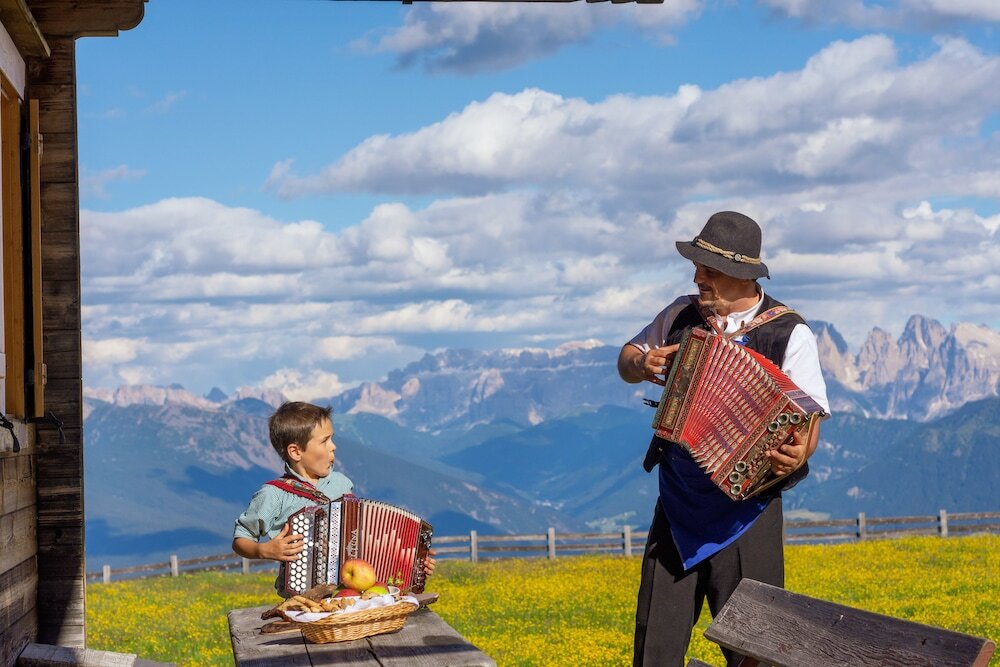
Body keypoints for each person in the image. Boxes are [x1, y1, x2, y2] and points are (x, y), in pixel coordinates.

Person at [617, 211, 830, 666]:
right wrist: (643, 364)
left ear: (739, 273)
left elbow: (810, 418)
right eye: (697, 267)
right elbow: (627, 358)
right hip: (676, 508)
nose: (696, 277)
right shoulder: (680, 312)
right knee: (655, 646)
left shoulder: (789, 331)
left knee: (755, 651)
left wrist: (796, 457)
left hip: (748, 515)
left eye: (707, 269)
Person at [232, 401, 435, 597]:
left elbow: (363, 540)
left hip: (350, 592)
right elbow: (241, 538)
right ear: (295, 452)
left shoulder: (341, 483)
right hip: (305, 600)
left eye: (332, 438)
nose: (333, 447)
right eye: (324, 441)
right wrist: (263, 550)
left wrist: (413, 562)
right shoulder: (273, 495)